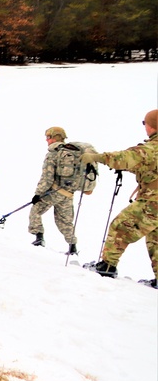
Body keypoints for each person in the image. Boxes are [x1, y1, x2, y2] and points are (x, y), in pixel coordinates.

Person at [81, 110, 158, 286]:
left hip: (153, 202)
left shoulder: (152, 147)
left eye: (144, 122)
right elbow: (149, 167)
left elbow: (126, 158)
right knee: (156, 240)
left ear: (152, 125)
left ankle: (107, 266)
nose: (144, 126)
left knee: (120, 226)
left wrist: (97, 157)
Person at [28, 126, 81, 254]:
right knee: (65, 221)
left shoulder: (53, 153)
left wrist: (38, 194)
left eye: (48, 137)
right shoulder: (73, 153)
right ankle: (72, 247)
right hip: (68, 194)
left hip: (54, 192)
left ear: (55, 137)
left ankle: (39, 238)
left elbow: (47, 177)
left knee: (35, 211)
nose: (47, 140)